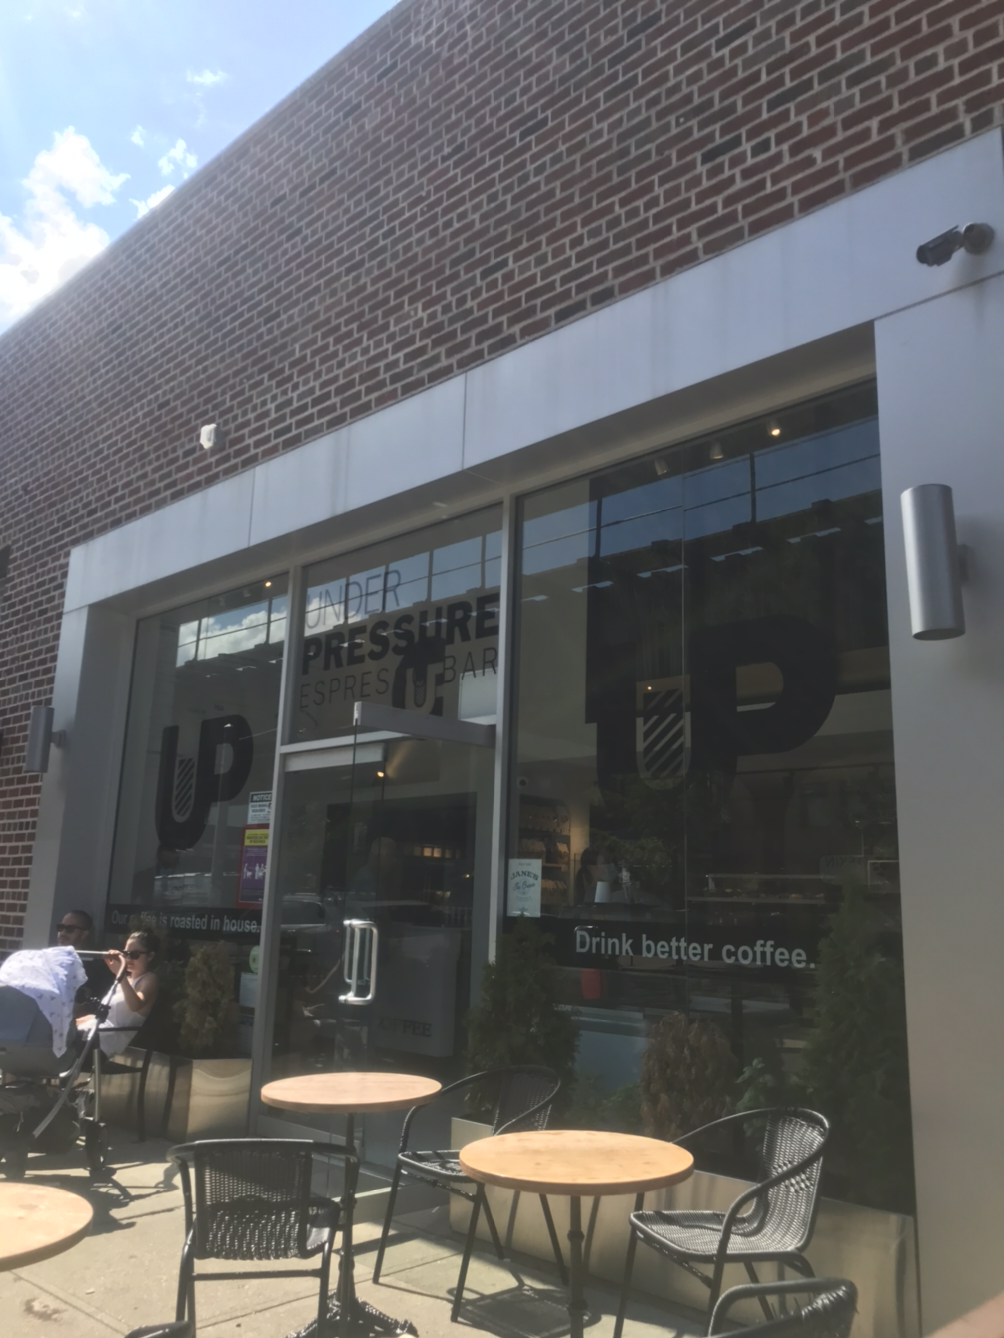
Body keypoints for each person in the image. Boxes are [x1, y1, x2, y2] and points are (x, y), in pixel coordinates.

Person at [78, 930, 159, 1057]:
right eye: (126, 954)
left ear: (150, 956)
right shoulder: (125, 980)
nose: (128, 959)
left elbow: (135, 1005)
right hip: (92, 1034)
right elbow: (101, 1017)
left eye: (135, 955)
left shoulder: (149, 979)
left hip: (104, 1043)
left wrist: (119, 974)